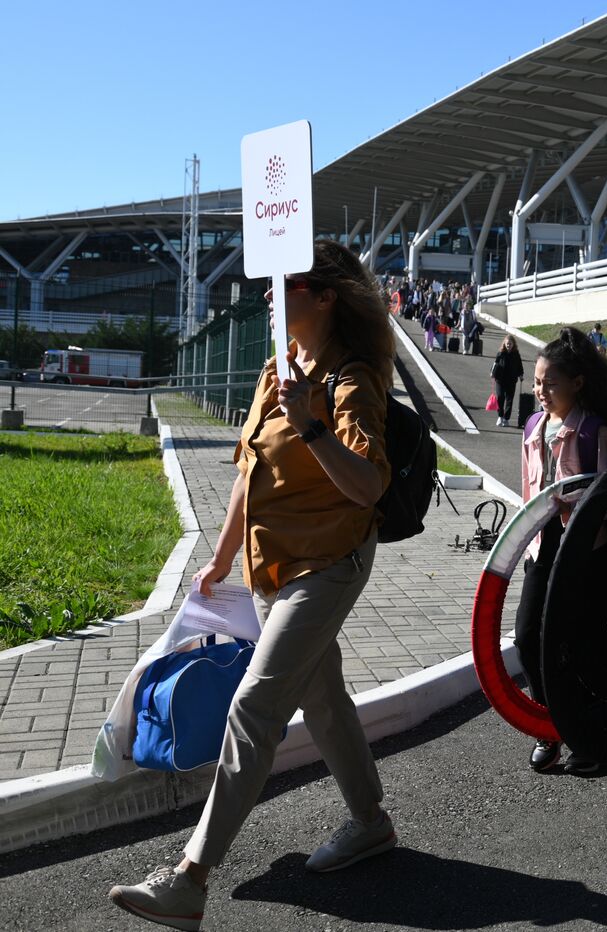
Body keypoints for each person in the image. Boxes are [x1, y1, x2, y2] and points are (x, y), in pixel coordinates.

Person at [109, 241, 398, 930]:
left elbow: (367, 486)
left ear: (324, 297)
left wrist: (313, 424)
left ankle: (189, 878)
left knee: (256, 706)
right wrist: (219, 557)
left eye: (285, 282)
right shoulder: (279, 369)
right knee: (322, 698)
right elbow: (248, 473)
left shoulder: (349, 380)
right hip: (273, 569)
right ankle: (371, 822)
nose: (269, 293)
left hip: (329, 565)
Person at [516, 327, 607, 775]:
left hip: (587, 550)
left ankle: (586, 735)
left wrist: (579, 505)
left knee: (582, 645)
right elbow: (526, 487)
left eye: (550, 383)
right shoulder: (532, 426)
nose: (540, 390)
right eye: (537, 382)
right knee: (528, 637)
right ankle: (551, 725)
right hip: (541, 548)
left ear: (577, 383)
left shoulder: (593, 432)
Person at [491, 335, 525, 427]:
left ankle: (506, 418)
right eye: (507, 344)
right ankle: (500, 416)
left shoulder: (516, 354)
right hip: (500, 380)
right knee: (500, 397)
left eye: (510, 343)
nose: (509, 345)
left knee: (509, 400)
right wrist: (492, 373)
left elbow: (519, 365)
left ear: (513, 344)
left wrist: (521, 375)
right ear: (504, 344)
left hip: (511, 380)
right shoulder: (500, 353)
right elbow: (495, 364)